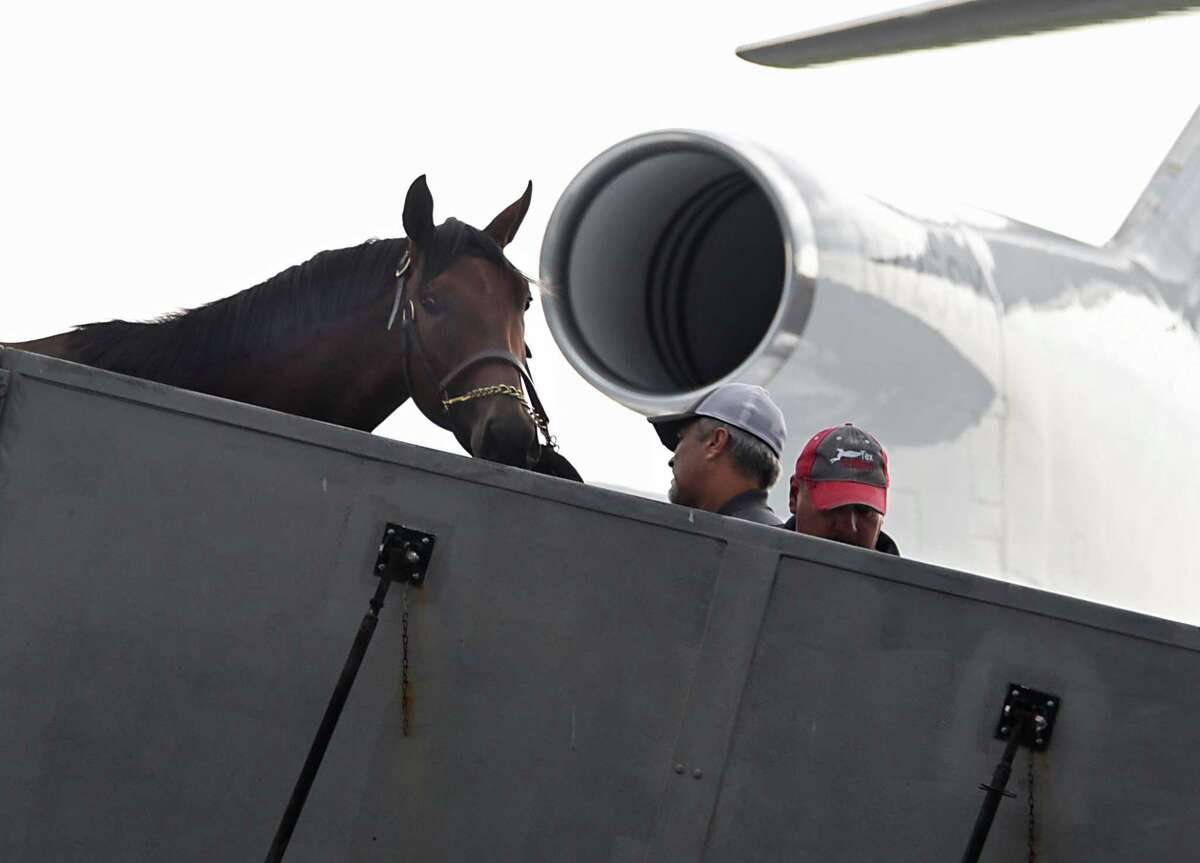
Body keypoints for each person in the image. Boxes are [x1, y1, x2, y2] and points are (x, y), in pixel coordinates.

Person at [648, 383, 786, 526]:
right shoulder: (782, 543)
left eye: (680, 438)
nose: (671, 460)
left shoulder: (705, 543)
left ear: (715, 442)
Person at [784, 423, 900, 555]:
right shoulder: (756, 562)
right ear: (794, 495)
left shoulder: (907, 575)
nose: (848, 528)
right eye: (834, 508)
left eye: (865, 511)